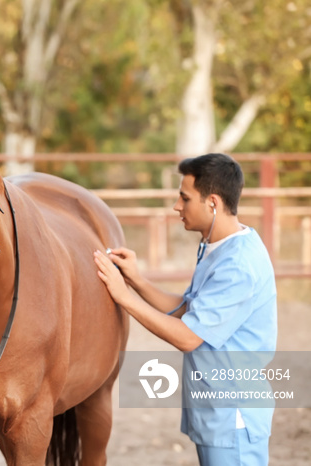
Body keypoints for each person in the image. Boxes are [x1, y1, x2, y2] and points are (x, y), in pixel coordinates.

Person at [94, 153, 277, 466]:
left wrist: (123, 297)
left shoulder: (239, 265)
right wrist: (136, 281)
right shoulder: (219, 246)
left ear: (212, 203)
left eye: (184, 197)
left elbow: (189, 337)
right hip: (213, 408)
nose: (177, 206)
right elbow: (187, 309)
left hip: (232, 413)